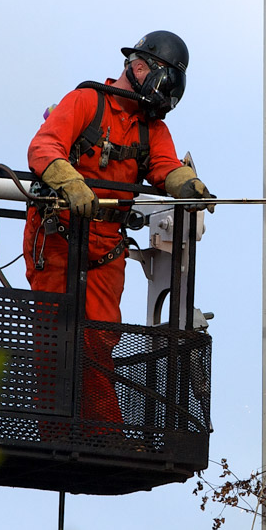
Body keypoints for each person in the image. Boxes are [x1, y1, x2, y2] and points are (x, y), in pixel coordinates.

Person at [23, 31, 212, 429]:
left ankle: (103, 431)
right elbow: (43, 148)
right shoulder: (86, 102)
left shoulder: (150, 129)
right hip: (57, 240)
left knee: (99, 340)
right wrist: (71, 182)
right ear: (139, 67)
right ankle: (54, 428)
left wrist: (185, 184)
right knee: (54, 338)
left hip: (106, 249)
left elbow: (164, 165)